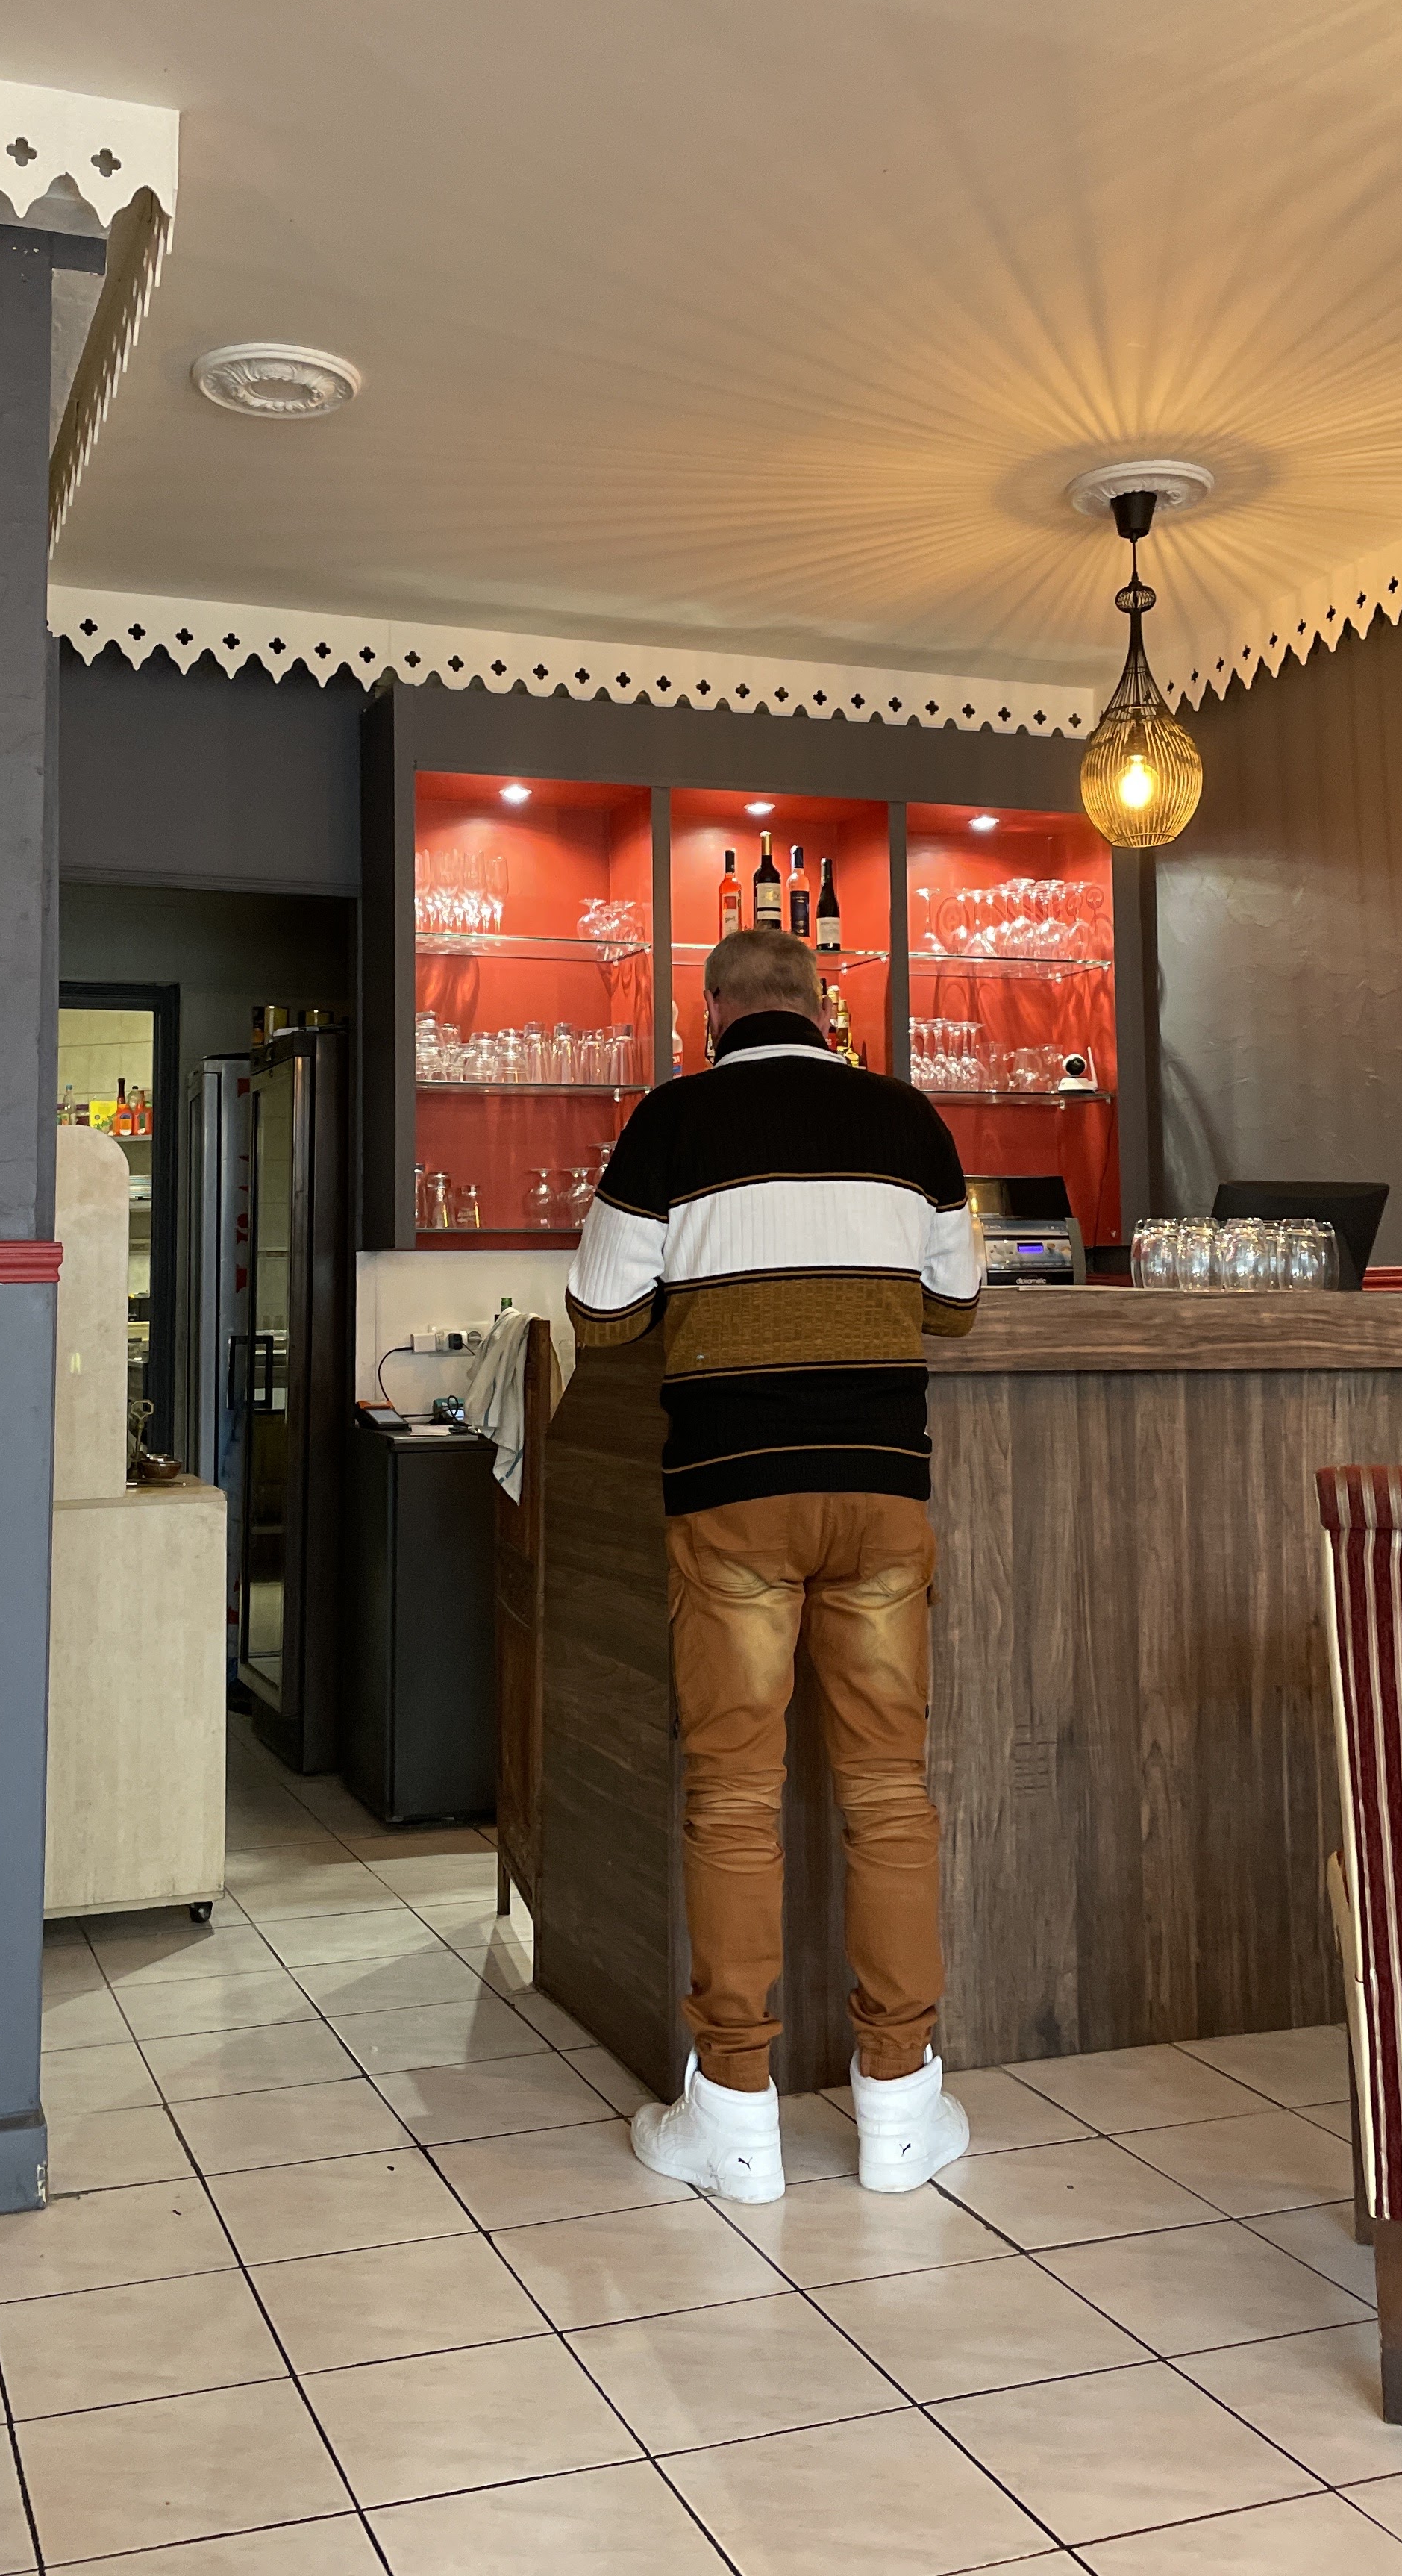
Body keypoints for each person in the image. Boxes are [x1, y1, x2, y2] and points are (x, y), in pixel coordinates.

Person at [564, 925, 983, 2201]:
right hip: (880, 1494)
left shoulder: (672, 1121)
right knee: (890, 1793)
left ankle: (736, 2119)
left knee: (736, 1799)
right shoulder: (908, 1120)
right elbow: (958, 1305)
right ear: (824, 1007)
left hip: (734, 1497)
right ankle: (901, 2109)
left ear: (710, 1014)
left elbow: (600, 1314)